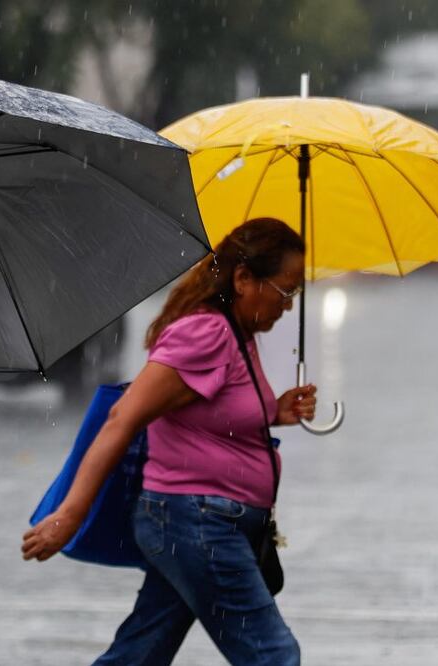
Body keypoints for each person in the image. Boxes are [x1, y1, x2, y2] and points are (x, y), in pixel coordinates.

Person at [22, 218, 316, 665]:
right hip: (197, 524)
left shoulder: (238, 334)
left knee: (138, 655)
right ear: (242, 279)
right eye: (283, 290)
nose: (288, 306)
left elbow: (212, 412)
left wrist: (276, 412)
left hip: (198, 524)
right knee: (274, 657)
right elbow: (125, 416)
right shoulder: (208, 333)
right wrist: (70, 515)